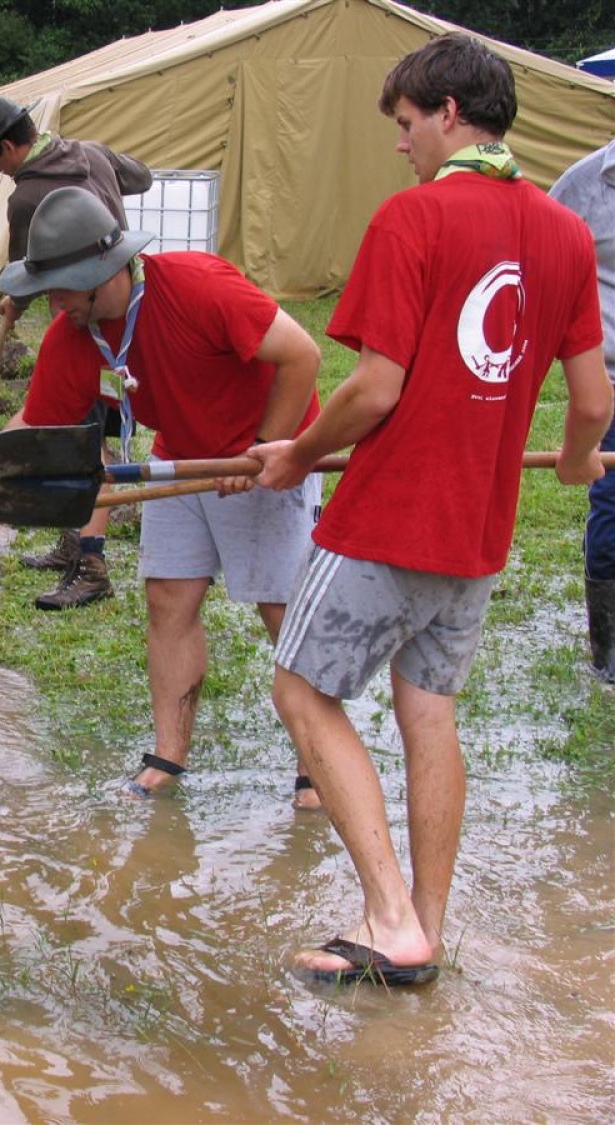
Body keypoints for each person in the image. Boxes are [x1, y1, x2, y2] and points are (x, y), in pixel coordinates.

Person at [248, 33, 609, 986]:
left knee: (300, 690)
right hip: (477, 536)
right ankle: (425, 929)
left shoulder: (412, 220)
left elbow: (372, 390)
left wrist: (296, 455)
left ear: (449, 112)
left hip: (392, 516)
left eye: (406, 125)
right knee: (429, 709)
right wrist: (575, 466)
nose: (401, 144)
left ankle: (388, 918)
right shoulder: (568, 232)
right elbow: (597, 402)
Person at [0, 186, 326, 807]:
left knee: (279, 609)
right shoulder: (73, 335)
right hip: (178, 461)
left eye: (59, 285)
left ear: (99, 274)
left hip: (266, 457)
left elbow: (302, 355)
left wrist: (265, 447)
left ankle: (315, 767)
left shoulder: (198, 287)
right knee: (169, 600)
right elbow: (35, 434)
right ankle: (168, 755)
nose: (51, 302)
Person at [0, 94, 155, 608]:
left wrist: (15, 302)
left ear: (9, 146)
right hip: (120, 320)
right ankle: (75, 539)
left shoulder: (27, 197)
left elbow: (28, 275)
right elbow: (142, 178)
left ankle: (90, 561)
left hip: (85, 334)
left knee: (85, 442)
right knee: (93, 431)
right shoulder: (91, 152)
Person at [549, 139, 615, 684]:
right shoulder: (583, 184)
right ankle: (609, 652)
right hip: (611, 377)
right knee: (612, 510)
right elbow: (546, 261)